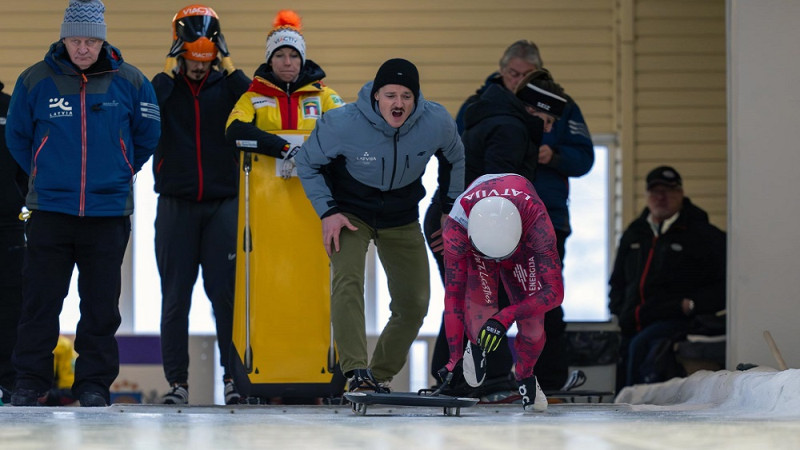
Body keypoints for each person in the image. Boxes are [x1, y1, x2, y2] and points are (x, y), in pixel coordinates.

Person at [5, 0, 160, 407]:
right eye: (76, 40)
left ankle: (93, 384)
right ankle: (30, 382)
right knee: (39, 302)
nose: (83, 49)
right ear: (64, 38)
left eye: (91, 40)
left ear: (102, 40)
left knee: (100, 307)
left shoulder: (131, 81)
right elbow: (18, 138)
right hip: (50, 212)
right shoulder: (35, 80)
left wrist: (121, 169)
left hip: (108, 214)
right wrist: (46, 173)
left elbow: (147, 135)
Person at [296, 58, 465, 392]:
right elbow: (307, 162)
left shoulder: (436, 121)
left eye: (406, 95)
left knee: (414, 302)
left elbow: (455, 157)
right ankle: (356, 371)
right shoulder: (342, 123)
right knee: (348, 283)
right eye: (390, 95)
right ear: (376, 96)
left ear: (417, 99)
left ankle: (378, 375)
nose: (398, 103)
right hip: (350, 211)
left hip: (401, 215)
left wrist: (450, 208)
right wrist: (327, 212)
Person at [151, 4, 250, 405]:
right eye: (192, 59)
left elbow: (254, 97)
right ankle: (178, 383)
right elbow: (145, 105)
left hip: (222, 206)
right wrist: (166, 69)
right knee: (175, 298)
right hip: (175, 205)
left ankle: (232, 380)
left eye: (206, 59)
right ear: (179, 52)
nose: (198, 67)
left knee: (225, 296)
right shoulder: (165, 89)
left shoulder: (229, 88)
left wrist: (227, 62)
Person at [437, 173, 564, 412]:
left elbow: (555, 293)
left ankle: (526, 376)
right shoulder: (456, 227)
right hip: (478, 248)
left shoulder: (537, 223)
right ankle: (475, 346)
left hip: (521, 248)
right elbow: (453, 297)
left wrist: (505, 317)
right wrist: (454, 359)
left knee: (533, 327)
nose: (497, 261)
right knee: (479, 315)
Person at [608, 166, 726, 388]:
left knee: (643, 366)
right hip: (630, 327)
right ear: (647, 195)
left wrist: (692, 304)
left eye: (669, 191)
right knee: (623, 382)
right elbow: (618, 281)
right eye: (655, 191)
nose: (661, 197)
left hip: (675, 326)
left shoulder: (703, 235)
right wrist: (618, 308)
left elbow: (728, 284)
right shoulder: (635, 233)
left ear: (681, 194)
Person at [0, 80, 27, 404]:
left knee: (10, 306)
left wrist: (16, 198)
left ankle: (8, 381)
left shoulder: (11, 106)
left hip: (7, 223)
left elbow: (25, 158)